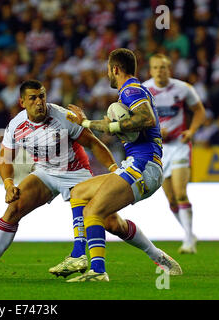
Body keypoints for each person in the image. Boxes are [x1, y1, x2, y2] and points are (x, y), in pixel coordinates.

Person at [0, 79, 180, 279]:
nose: (39, 102)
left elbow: (94, 144)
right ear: (22, 102)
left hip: (76, 174)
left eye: (42, 97)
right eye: (33, 98)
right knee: (14, 208)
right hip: (45, 173)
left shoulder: (63, 117)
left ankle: (157, 255)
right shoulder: (16, 125)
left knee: (113, 223)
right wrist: (8, 184)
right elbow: (6, 158)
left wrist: (115, 170)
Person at [65, 48, 182, 282]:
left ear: (115, 69)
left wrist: (115, 127)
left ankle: (97, 270)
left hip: (143, 165)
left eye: (108, 69)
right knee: (82, 196)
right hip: (138, 164)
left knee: (92, 211)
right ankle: (157, 256)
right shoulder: (132, 92)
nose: (107, 73)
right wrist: (85, 122)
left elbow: (145, 118)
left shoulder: (130, 90)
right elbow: (110, 125)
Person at [143, 53, 206, 253]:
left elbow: (199, 111)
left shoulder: (183, 88)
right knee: (170, 200)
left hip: (179, 145)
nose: (160, 71)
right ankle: (189, 233)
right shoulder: (144, 90)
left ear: (169, 69)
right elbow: (138, 119)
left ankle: (188, 239)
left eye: (163, 67)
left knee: (180, 193)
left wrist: (192, 131)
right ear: (150, 70)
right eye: (156, 67)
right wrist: (152, 130)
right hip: (158, 149)